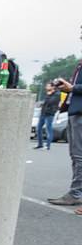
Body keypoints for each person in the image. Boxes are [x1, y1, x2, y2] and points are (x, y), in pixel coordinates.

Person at [48, 49, 82, 208]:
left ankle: (76, 193)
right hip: (74, 110)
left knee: (79, 155)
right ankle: (76, 192)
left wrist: (73, 88)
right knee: (76, 154)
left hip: (79, 112)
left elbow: (76, 87)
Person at [35, 82, 60, 150]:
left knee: (48, 129)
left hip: (49, 114)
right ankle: (40, 144)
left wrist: (49, 95)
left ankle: (47, 146)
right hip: (43, 113)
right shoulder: (48, 93)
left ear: (53, 87)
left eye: (48, 86)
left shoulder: (57, 94)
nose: (46, 87)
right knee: (38, 128)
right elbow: (45, 103)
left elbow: (51, 102)